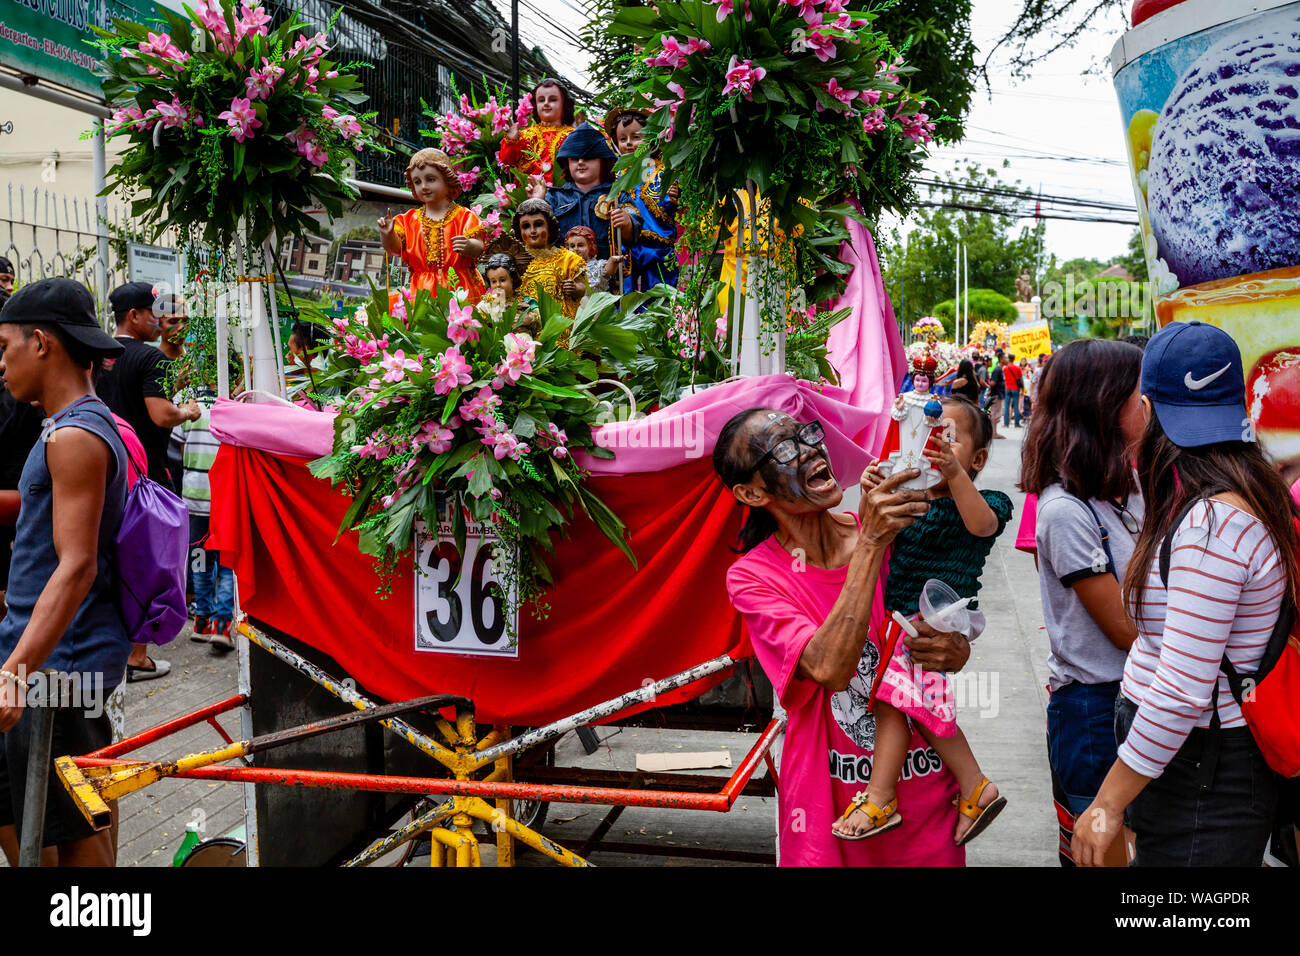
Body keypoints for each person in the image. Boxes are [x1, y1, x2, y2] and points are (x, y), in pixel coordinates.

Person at [1074, 321, 1298, 867]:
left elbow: (1180, 691)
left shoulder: (1212, 524)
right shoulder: (1242, 492)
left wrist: (1107, 805)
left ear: (1147, 412)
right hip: (1195, 764)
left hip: (1203, 771)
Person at [718, 408, 974, 865]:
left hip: (923, 796)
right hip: (827, 810)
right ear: (751, 493)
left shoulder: (888, 532)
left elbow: (940, 628)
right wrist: (871, 544)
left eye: (808, 435)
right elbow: (831, 669)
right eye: (784, 448)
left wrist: (955, 647)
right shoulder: (754, 577)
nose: (811, 448)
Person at [833, 397, 1012, 844]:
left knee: (894, 703)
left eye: (949, 437)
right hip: (903, 621)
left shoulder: (985, 500)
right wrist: (875, 485)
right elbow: (872, 532)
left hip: (937, 618)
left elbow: (982, 525)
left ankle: (880, 797)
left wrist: (953, 474)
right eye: (926, 435)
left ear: (978, 458)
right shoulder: (908, 499)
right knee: (917, 706)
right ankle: (974, 788)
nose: (936, 444)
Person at [0, 277, 132, 866]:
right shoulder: (68, 426)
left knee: (75, 828)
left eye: (6, 346)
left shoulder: (75, 435)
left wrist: (16, 673)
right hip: (48, 658)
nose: (1, 363)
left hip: (59, 670)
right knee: (37, 817)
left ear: (42, 343)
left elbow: (76, 567)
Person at [1019, 337, 1146, 866]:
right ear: (1105, 405)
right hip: (1097, 709)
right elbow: (1121, 627)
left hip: (1139, 696)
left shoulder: (1131, 486)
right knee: (1107, 858)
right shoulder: (1065, 511)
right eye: (1141, 396)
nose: (1149, 406)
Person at [95, 280, 194, 681]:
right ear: (133, 316)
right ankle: (137, 656)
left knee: (107, 559)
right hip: (146, 475)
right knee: (146, 563)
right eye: (154, 313)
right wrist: (186, 411)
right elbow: (159, 415)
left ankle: (113, 650)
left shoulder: (98, 356)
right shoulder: (150, 360)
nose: (160, 321)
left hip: (104, 471)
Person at [378, 148, 487, 305]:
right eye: (417, 182)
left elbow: (479, 247)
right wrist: (387, 235)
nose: (423, 186)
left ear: (447, 180)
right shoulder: (409, 220)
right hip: (423, 291)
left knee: (462, 327)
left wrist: (470, 246)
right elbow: (395, 249)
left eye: (431, 179)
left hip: (460, 288)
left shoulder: (464, 217)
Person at [531, 122, 635, 262]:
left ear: (602, 162)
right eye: (574, 159)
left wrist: (627, 224)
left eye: (588, 158)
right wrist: (537, 203)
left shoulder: (617, 196)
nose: (580, 162)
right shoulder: (554, 197)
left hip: (608, 274)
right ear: (567, 163)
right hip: (565, 274)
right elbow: (539, 238)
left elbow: (634, 235)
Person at [605, 107, 680, 293]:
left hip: (658, 244)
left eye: (636, 137)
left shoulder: (664, 169)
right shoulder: (618, 173)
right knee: (625, 296)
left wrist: (674, 194)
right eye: (623, 139)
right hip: (628, 247)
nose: (629, 143)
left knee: (660, 294)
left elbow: (672, 202)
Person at [513, 199, 586, 324]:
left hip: (557, 329)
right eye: (526, 226)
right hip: (523, 330)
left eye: (538, 224)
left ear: (549, 226)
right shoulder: (514, 259)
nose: (532, 231)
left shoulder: (568, 259)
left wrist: (575, 288)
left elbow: (583, 288)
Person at [498, 78, 575, 184]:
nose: (546, 103)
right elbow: (506, 159)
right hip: (528, 196)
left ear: (564, 104)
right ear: (535, 104)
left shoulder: (574, 136)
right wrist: (511, 140)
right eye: (541, 100)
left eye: (553, 99)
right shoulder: (524, 136)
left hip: (564, 196)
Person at [564, 225, 624, 298]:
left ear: (590, 247)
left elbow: (608, 270)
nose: (576, 249)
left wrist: (613, 260)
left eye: (580, 245)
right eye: (572, 246)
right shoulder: (565, 267)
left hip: (594, 306)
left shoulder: (596, 266)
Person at [1002, 350, 1024, 428]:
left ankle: (1006, 423)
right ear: (1014, 359)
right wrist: (1022, 389)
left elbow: (1004, 378)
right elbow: (1021, 379)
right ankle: (1016, 423)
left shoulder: (1005, 368)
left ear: (1008, 359)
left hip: (1007, 388)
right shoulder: (1017, 368)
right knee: (1015, 405)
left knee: (1006, 406)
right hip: (1015, 388)